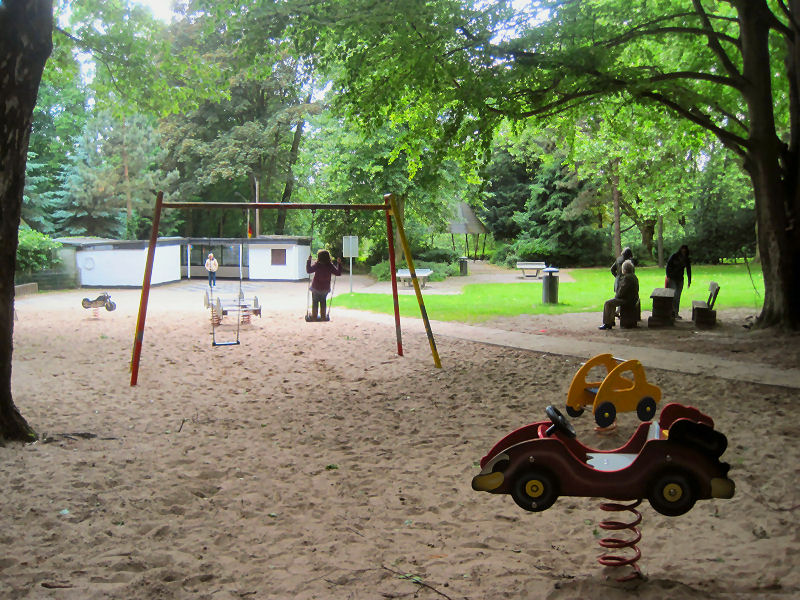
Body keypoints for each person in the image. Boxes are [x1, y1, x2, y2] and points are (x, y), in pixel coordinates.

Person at [599, 259, 639, 330]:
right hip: (633, 298)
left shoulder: (627, 278)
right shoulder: (634, 276)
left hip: (628, 300)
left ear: (624, 269)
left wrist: (616, 297)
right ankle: (611, 320)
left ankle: (607, 323)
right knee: (612, 303)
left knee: (608, 303)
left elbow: (621, 292)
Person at [306, 249, 342, 321]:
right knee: (323, 302)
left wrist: (309, 261)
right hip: (325, 288)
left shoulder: (318, 265)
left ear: (319, 257)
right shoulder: (330, 266)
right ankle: (323, 316)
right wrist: (339, 264)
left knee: (315, 302)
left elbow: (309, 270)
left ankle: (314, 316)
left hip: (315, 287)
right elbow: (338, 273)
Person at [665, 244, 691, 319]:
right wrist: (668, 276)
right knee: (673, 296)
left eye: (685, 251)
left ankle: (675, 313)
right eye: (683, 250)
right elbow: (668, 266)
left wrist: (689, 280)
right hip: (672, 278)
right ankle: (672, 312)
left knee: (677, 297)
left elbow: (688, 270)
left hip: (680, 279)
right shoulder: (674, 256)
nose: (683, 252)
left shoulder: (686, 259)